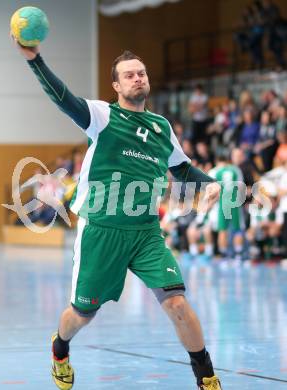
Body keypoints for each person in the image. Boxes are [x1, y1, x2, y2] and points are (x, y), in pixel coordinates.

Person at [13, 39, 222, 390]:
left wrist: (210, 184)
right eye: (129, 75)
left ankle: (207, 377)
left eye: (141, 73)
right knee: (81, 315)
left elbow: (183, 170)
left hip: (145, 233)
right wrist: (35, 60)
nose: (137, 78)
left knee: (177, 304)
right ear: (117, 86)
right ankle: (60, 347)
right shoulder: (102, 115)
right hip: (102, 230)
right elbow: (64, 98)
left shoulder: (161, 127)